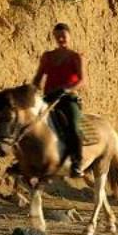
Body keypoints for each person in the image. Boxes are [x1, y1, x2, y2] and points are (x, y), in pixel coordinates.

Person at [33, 23, 84, 152]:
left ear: (70, 36)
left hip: (67, 99)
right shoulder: (47, 56)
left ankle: (76, 162)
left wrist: (66, 90)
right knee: (28, 123)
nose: (60, 39)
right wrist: (34, 88)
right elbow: (38, 77)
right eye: (57, 36)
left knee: (73, 127)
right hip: (49, 97)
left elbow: (82, 80)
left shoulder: (75, 57)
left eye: (63, 36)